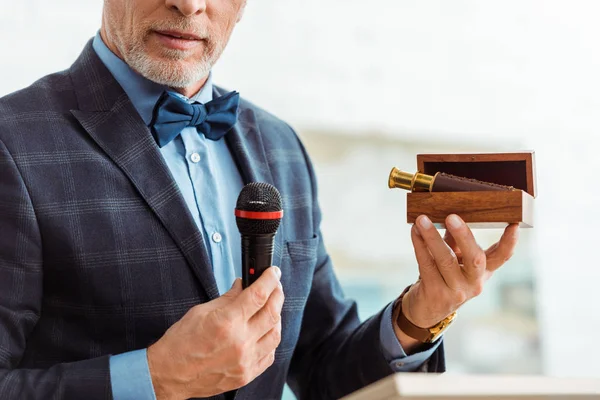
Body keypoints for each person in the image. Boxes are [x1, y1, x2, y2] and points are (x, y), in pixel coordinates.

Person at [0, 1, 519, 399]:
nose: (189, 3)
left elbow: (323, 367)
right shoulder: (11, 143)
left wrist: (420, 316)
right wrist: (154, 377)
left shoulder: (281, 147)